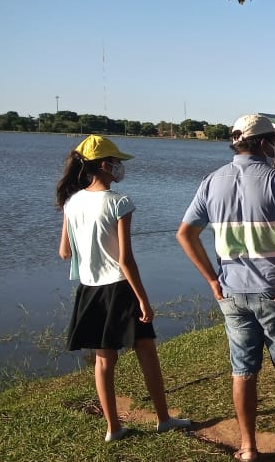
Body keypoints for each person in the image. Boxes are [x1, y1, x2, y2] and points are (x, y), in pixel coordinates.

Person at [176, 114, 275, 462]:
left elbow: (185, 234)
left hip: (232, 292)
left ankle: (249, 448)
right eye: (274, 141)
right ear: (266, 143)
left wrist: (211, 278)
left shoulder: (211, 181)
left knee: (243, 370)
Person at [56, 135, 191, 442]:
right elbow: (125, 260)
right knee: (147, 352)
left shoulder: (71, 201)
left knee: (104, 361)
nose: (119, 167)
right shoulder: (120, 202)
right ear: (104, 166)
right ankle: (163, 418)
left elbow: (65, 252)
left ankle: (112, 428)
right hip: (119, 288)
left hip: (89, 290)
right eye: (116, 162)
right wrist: (143, 300)